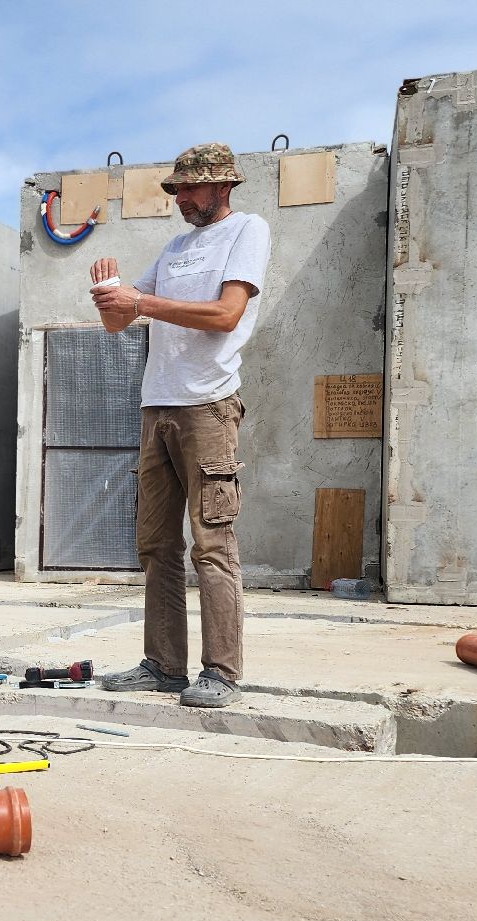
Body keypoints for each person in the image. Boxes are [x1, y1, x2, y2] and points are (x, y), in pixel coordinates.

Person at [89, 143, 270, 708]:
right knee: (155, 544)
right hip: (157, 406)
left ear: (223, 187)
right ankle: (164, 665)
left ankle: (220, 672)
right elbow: (120, 323)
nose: (181, 199)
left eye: (189, 189)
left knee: (212, 542)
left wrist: (139, 300)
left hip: (208, 406)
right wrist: (107, 298)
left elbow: (225, 315)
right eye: (176, 190)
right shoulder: (174, 249)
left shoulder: (248, 231)